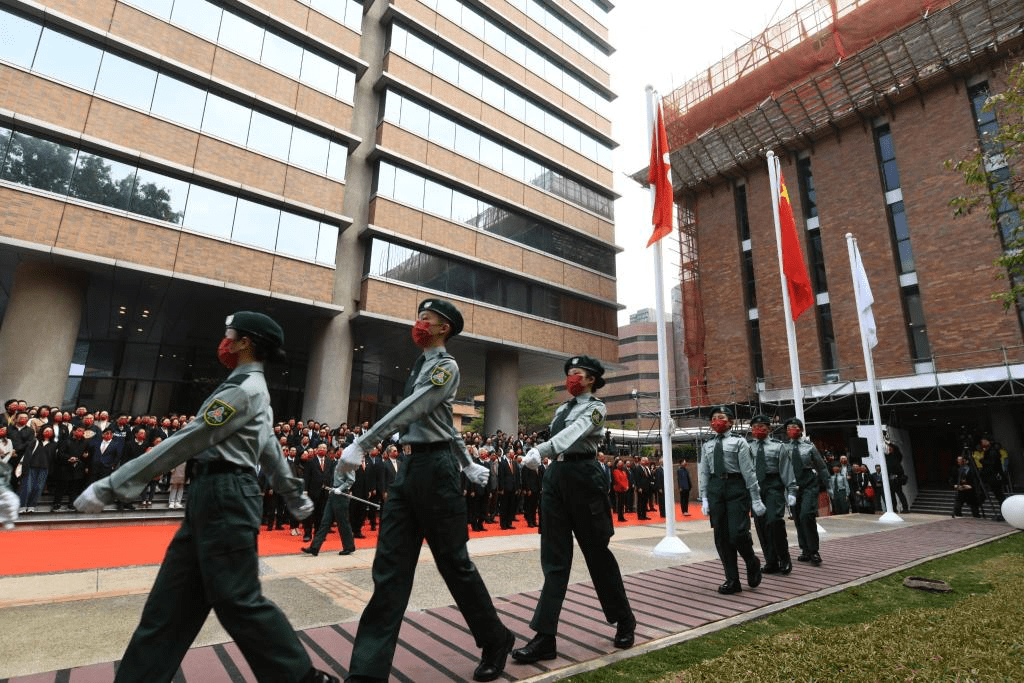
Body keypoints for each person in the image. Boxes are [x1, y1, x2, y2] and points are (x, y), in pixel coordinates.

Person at [74, 311, 333, 683]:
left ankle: (299, 678)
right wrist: (293, 494)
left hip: (225, 495)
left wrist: (111, 484)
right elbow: (270, 447)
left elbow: (188, 439)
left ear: (246, 343)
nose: (224, 341)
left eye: (230, 334)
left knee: (237, 600)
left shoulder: (242, 390)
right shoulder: (248, 387)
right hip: (215, 494)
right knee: (170, 608)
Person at [338, 299, 513, 683]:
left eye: (425, 319)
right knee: (390, 571)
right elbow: (445, 425)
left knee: (455, 565)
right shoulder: (421, 366)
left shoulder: (445, 367)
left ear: (443, 328)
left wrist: (364, 443)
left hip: (435, 472)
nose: (417, 324)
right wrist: (468, 461)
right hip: (412, 468)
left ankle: (496, 639)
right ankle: (366, 673)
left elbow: (417, 407)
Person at [512, 355, 636, 664]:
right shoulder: (560, 409)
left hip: (584, 477)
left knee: (597, 554)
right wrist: (543, 456)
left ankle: (624, 619)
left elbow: (573, 434)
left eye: (577, 373)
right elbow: (559, 435)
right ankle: (545, 637)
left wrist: (540, 450)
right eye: (569, 372)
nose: (571, 377)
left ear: (591, 379)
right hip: (557, 476)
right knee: (554, 559)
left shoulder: (595, 409)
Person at [698, 406, 766, 594]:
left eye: (720, 417)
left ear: (730, 422)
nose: (716, 421)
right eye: (713, 418)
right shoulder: (707, 445)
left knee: (737, 533)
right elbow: (703, 472)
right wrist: (704, 497)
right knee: (721, 536)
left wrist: (756, 498)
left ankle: (751, 561)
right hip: (715, 489)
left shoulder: (739, 442)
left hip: (736, 487)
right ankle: (732, 580)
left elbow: (748, 472)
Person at [748, 414, 795, 575]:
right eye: (754, 427)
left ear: (769, 428)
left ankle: (784, 557)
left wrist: (791, 490)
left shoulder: (778, 446)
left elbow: (786, 469)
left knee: (774, 521)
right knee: (761, 525)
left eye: (762, 427)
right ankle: (771, 561)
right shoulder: (748, 447)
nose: (758, 430)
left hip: (774, 485)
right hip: (756, 487)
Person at [785, 417, 828, 565]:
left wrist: (828, 485)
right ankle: (804, 550)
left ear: (801, 430)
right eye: (789, 427)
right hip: (792, 487)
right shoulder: (784, 448)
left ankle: (814, 551)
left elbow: (821, 466)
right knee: (797, 518)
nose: (792, 429)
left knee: (806, 516)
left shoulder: (809, 447)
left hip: (809, 485)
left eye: (795, 427)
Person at [302, 451, 357, 557]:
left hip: (341, 495)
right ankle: (315, 547)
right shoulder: (336, 463)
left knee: (343, 522)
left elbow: (351, 480)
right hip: (332, 494)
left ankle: (349, 546)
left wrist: (340, 489)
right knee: (325, 522)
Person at [885, 443, 910, 514]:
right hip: (890, 478)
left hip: (896, 478)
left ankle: (905, 508)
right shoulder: (887, 457)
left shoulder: (897, 456)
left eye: (890, 448)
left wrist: (889, 443)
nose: (889, 449)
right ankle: (894, 508)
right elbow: (880, 450)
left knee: (900, 493)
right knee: (892, 495)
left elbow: (896, 449)